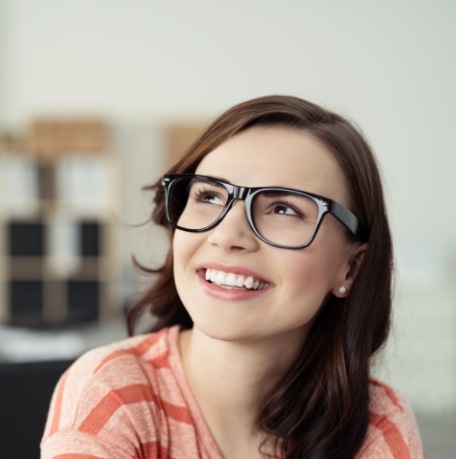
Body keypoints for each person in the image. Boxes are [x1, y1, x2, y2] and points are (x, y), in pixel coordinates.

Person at [41, 95, 425, 458]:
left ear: (351, 267)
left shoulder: (378, 419)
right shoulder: (112, 392)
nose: (226, 235)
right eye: (209, 196)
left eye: (284, 209)